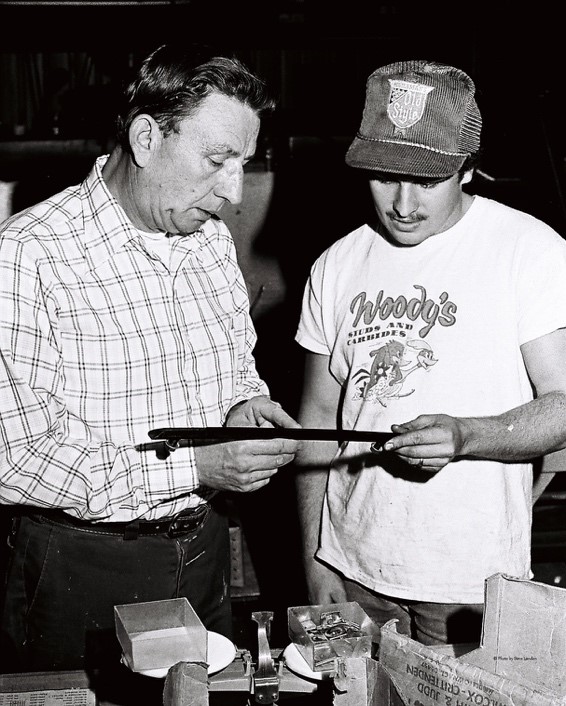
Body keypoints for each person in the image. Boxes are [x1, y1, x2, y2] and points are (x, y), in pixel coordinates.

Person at [0, 44, 301, 676]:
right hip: (81, 563)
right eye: (218, 161)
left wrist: (247, 406)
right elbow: (18, 459)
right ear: (145, 138)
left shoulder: (208, 240)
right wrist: (197, 466)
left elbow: (234, 366)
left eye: (244, 164)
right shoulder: (29, 254)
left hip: (205, 548)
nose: (234, 194)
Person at [294, 59, 566, 647]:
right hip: (350, 566)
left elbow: (564, 405)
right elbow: (316, 421)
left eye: (426, 181)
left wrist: (468, 436)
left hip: (472, 578)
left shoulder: (530, 251)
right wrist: (316, 560)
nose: (402, 204)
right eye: (384, 176)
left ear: (468, 168)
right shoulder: (336, 265)